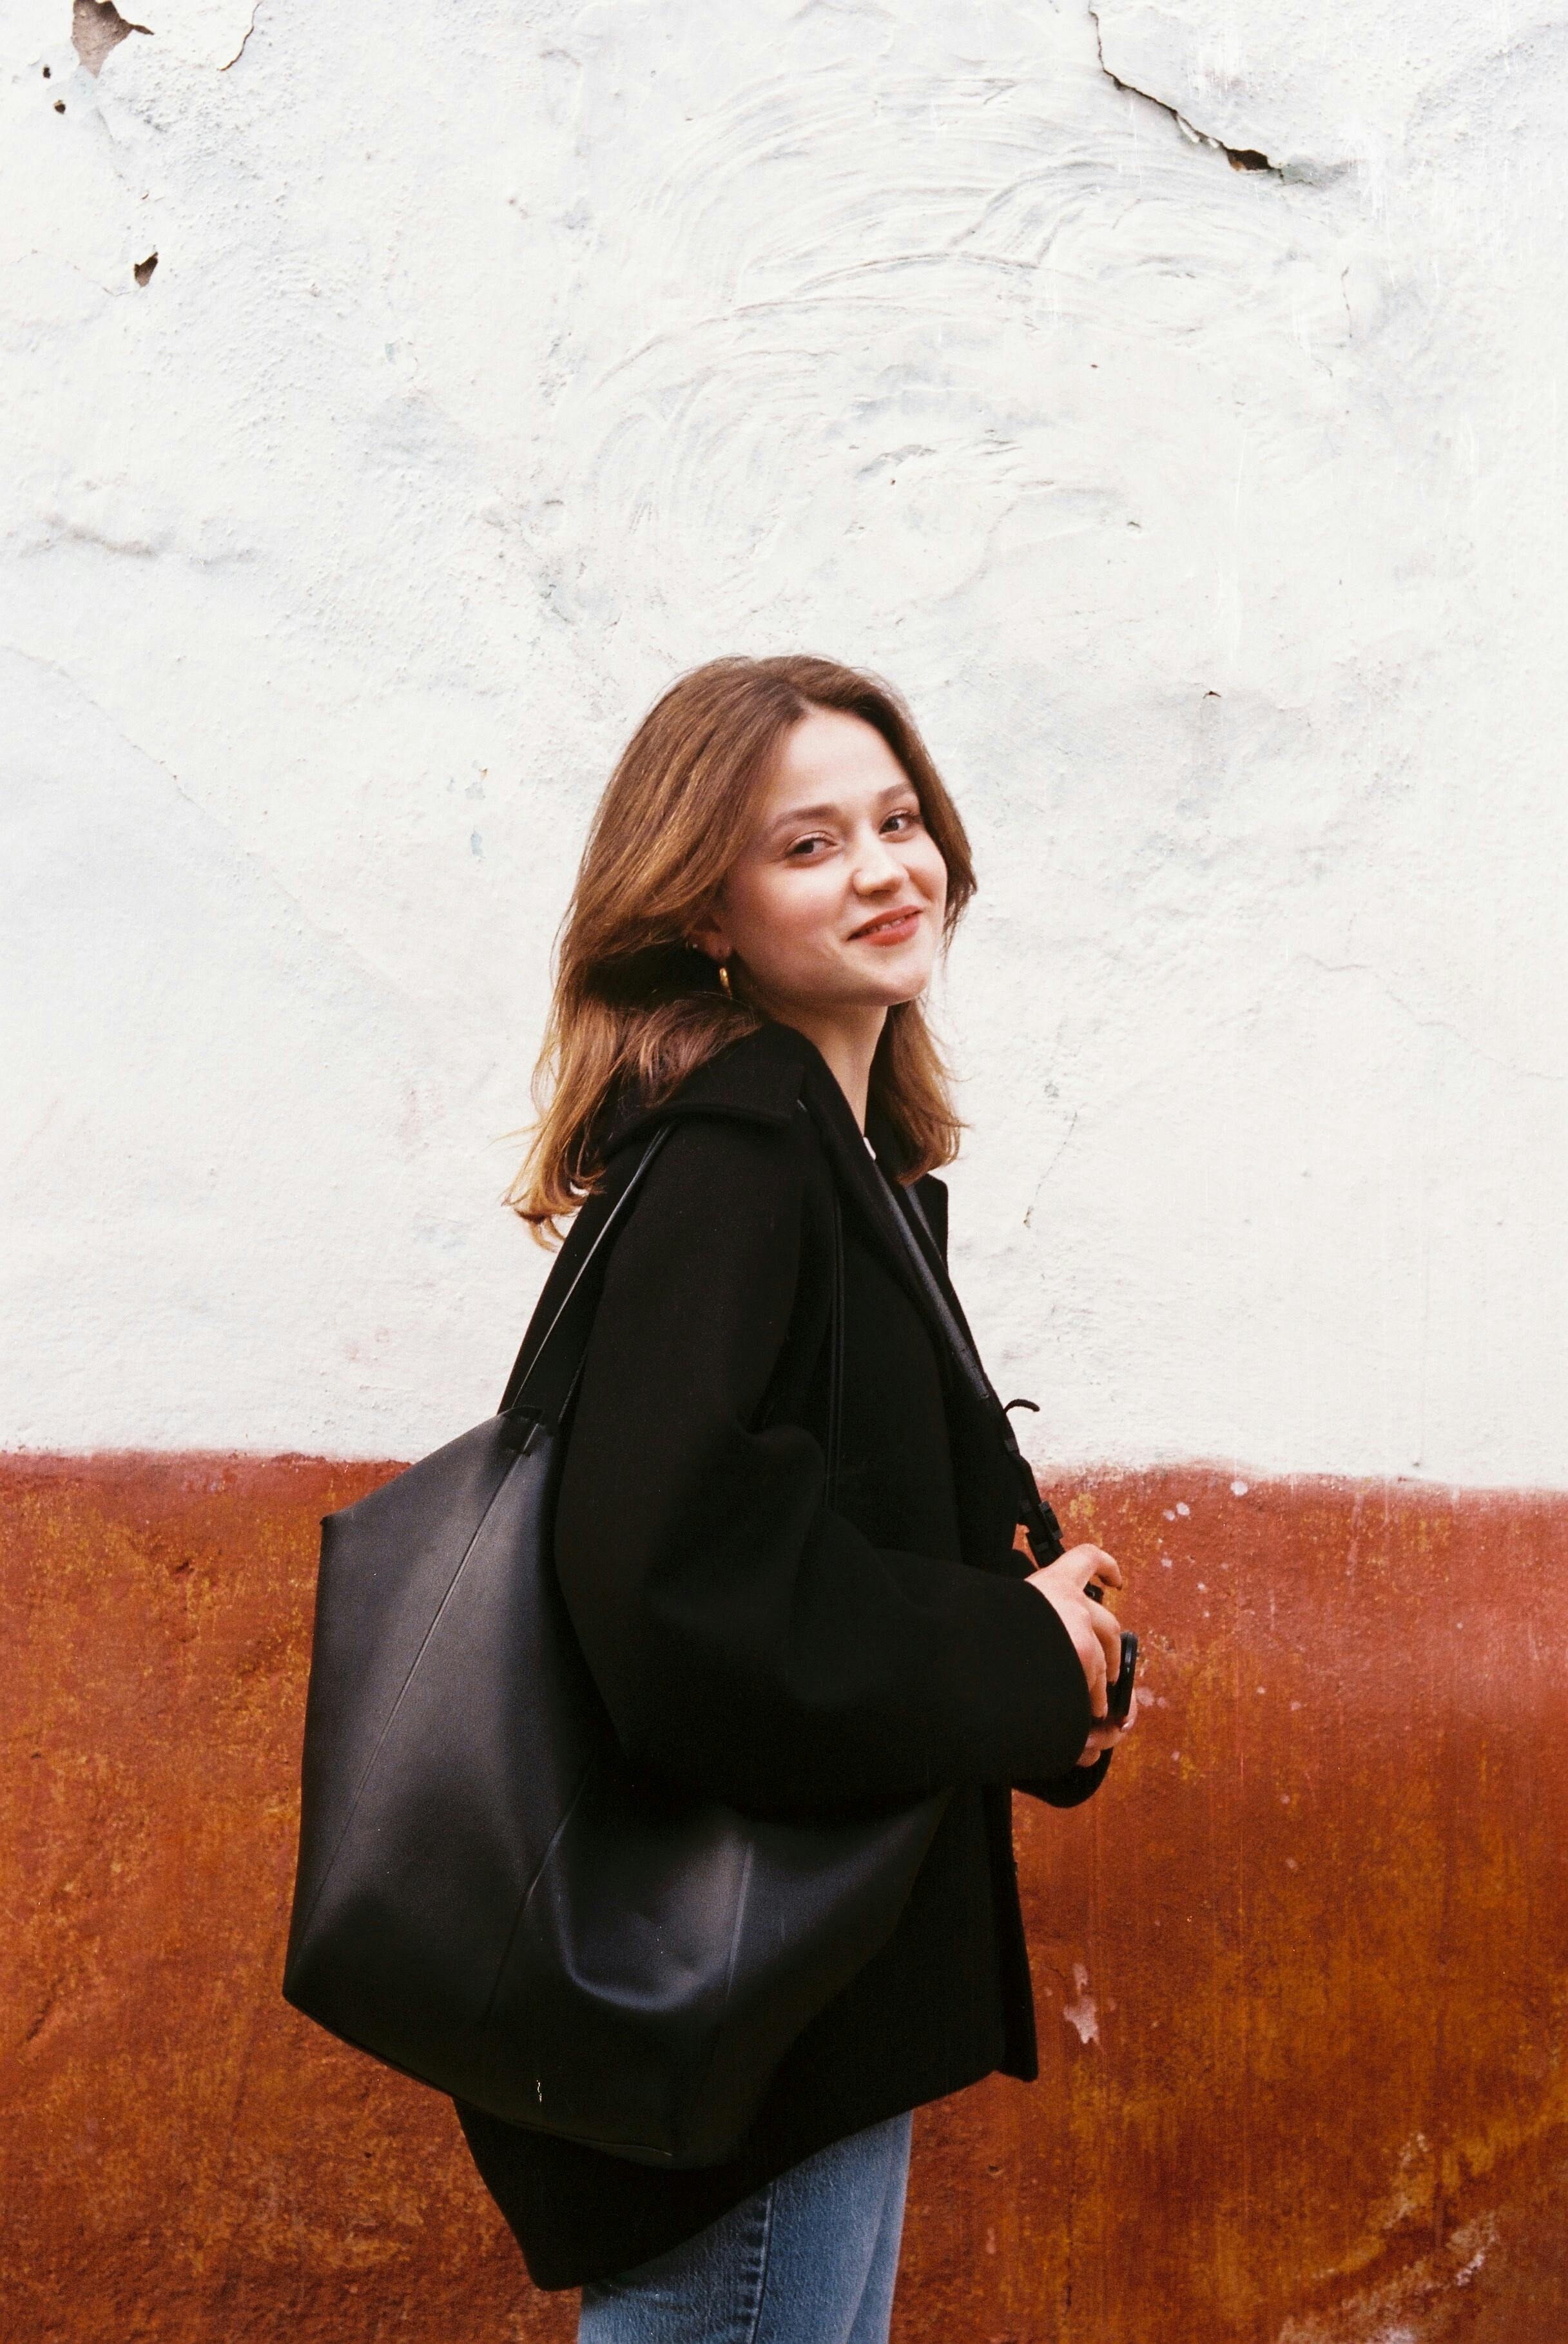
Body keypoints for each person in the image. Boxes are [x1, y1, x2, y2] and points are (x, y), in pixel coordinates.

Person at [457, 654, 1135, 2343]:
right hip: (750, 2001)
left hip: (798, 1974)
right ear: (705, 910)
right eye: (810, 845)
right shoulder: (738, 1164)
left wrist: (1043, 1670)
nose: (886, 870)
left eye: (899, 821)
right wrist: (1011, 1651)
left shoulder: (835, 1163)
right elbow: (679, 1592)